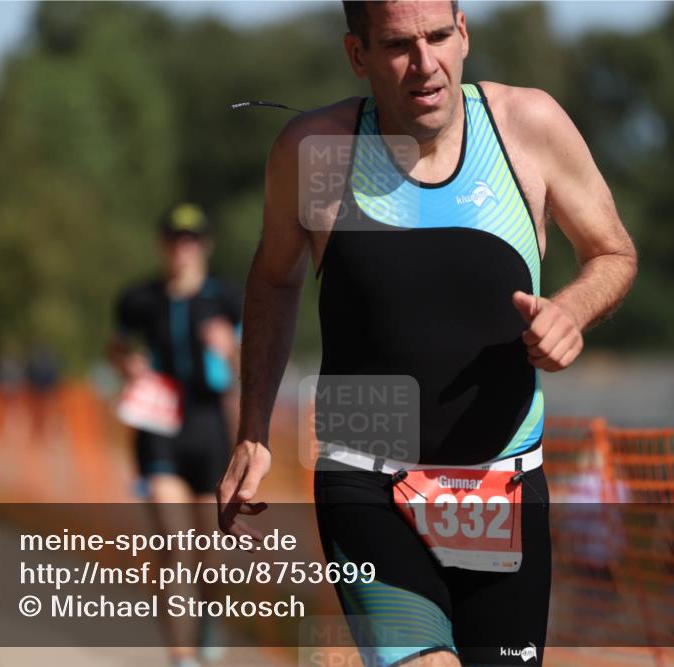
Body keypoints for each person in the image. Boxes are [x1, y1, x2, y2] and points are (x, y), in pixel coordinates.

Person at [220, 1, 638, 665]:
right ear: (357, 55)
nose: (425, 64)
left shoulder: (527, 128)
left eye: (439, 36)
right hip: (367, 483)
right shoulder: (315, 152)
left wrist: (571, 311)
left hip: (503, 489)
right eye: (397, 46)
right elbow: (273, 280)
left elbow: (613, 253)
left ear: (464, 32)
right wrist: (253, 431)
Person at [110, 202, 242, 667]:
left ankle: (210, 617)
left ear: (203, 245)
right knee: (175, 547)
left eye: (190, 241)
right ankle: (182, 657)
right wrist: (127, 365)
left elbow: (253, 365)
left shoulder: (227, 298)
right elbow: (117, 345)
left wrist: (230, 350)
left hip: (209, 429)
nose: (180, 250)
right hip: (159, 428)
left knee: (211, 556)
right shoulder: (139, 299)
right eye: (173, 240)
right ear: (161, 244)